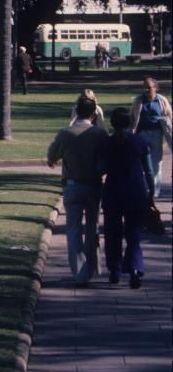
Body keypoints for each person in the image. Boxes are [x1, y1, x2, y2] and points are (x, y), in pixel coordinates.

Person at [47, 95, 109, 284]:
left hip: (73, 185)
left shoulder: (66, 133)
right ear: (93, 114)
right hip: (93, 185)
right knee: (92, 227)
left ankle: (80, 273)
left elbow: (51, 156)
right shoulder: (99, 135)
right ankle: (93, 268)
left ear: (76, 111)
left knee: (73, 230)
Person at [100, 108, 155, 288]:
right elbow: (149, 171)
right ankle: (135, 269)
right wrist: (151, 192)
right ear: (130, 122)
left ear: (112, 123)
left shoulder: (107, 143)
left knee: (112, 232)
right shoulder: (140, 142)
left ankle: (114, 270)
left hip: (113, 193)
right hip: (136, 192)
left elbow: (100, 169)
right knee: (133, 234)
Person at [128, 76, 171, 200]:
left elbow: (169, 116)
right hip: (142, 134)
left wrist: (166, 123)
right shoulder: (139, 100)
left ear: (155, 87)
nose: (147, 89)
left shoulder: (161, 100)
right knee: (142, 162)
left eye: (149, 87)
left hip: (157, 134)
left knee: (156, 162)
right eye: (145, 87)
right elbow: (132, 117)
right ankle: (144, 188)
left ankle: (155, 191)